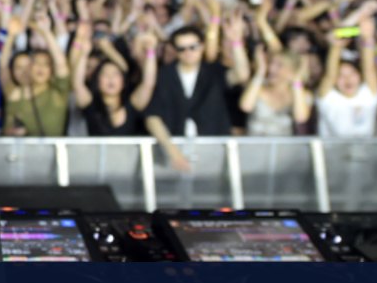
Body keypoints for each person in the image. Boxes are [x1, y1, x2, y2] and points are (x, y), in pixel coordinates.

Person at [145, 10, 251, 168]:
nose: (188, 52)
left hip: (214, 152)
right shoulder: (165, 75)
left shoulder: (214, 71)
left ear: (202, 47)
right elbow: (152, 116)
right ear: (175, 51)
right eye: (182, 49)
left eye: (193, 47)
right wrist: (173, 152)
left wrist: (236, 42)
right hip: (173, 154)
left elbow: (241, 75)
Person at [71, 23, 158, 136]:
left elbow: (148, 83)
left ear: (123, 82)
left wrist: (150, 51)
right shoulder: (90, 105)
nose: (110, 79)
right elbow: (77, 84)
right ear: (97, 81)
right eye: (105, 75)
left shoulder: (132, 105)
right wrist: (83, 54)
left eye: (115, 74)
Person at [317, 16, 377, 137]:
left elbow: (369, 69)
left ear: (359, 76)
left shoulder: (368, 94)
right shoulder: (328, 98)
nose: (347, 79)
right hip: (332, 154)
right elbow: (330, 74)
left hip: (367, 154)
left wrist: (368, 38)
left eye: (352, 74)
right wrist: (336, 47)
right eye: (341, 75)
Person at [239, 46, 312, 136]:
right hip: (254, 147)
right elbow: (246, 106)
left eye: (279, 65)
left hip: (283, 148)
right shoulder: (258, 88)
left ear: (291, 70)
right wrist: (260, 71)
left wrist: (297, 80)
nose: (271, 68)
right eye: (271, 63)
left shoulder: (301, 94)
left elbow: (300, 117)